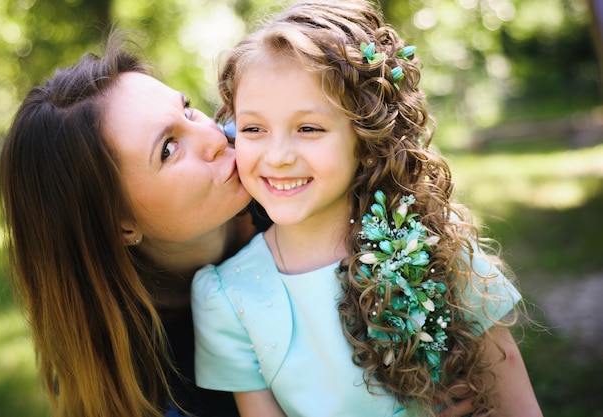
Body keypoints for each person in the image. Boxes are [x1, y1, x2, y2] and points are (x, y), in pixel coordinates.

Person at [191, 1, 543, 416]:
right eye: (253, 129)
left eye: (308, 128)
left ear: (366, 135)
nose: (278, 155)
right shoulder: (228, 296)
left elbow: (512, 393)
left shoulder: (432, 243)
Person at [0, 31, 253, 417]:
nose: (215, 135)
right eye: (168, 149)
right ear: (120, 226)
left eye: (186, 110)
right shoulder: (137, 388)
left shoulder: (293, 160)